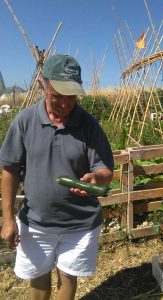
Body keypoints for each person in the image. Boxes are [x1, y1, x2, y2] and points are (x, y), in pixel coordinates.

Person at [0, 54, 114, 300]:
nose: (65, 103)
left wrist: (97, 179)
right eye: (57, 95)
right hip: (36, 222)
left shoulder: (89, 125)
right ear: (43, 84)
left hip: (80, 225)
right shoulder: (25, 121)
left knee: (68, 277)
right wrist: (7, 218)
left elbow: (105, 169)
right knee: (39, 280)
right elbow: (9, 169)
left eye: (71, 95)